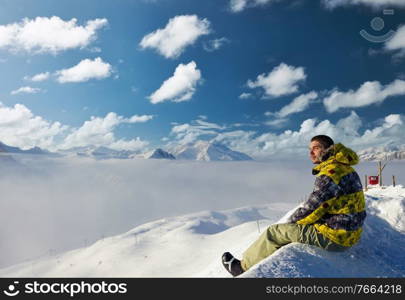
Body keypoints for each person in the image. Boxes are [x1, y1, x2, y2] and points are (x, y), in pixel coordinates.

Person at [221, 135, 366, 277]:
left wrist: (289, 225)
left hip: (337, 238)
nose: (311, 153)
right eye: (310, 149)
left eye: (316, 148)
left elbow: (312, 208)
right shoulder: (346, 168)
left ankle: (241, 267)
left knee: (274, 232)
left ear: (329, 149)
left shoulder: (330, 173)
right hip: (350, 232)